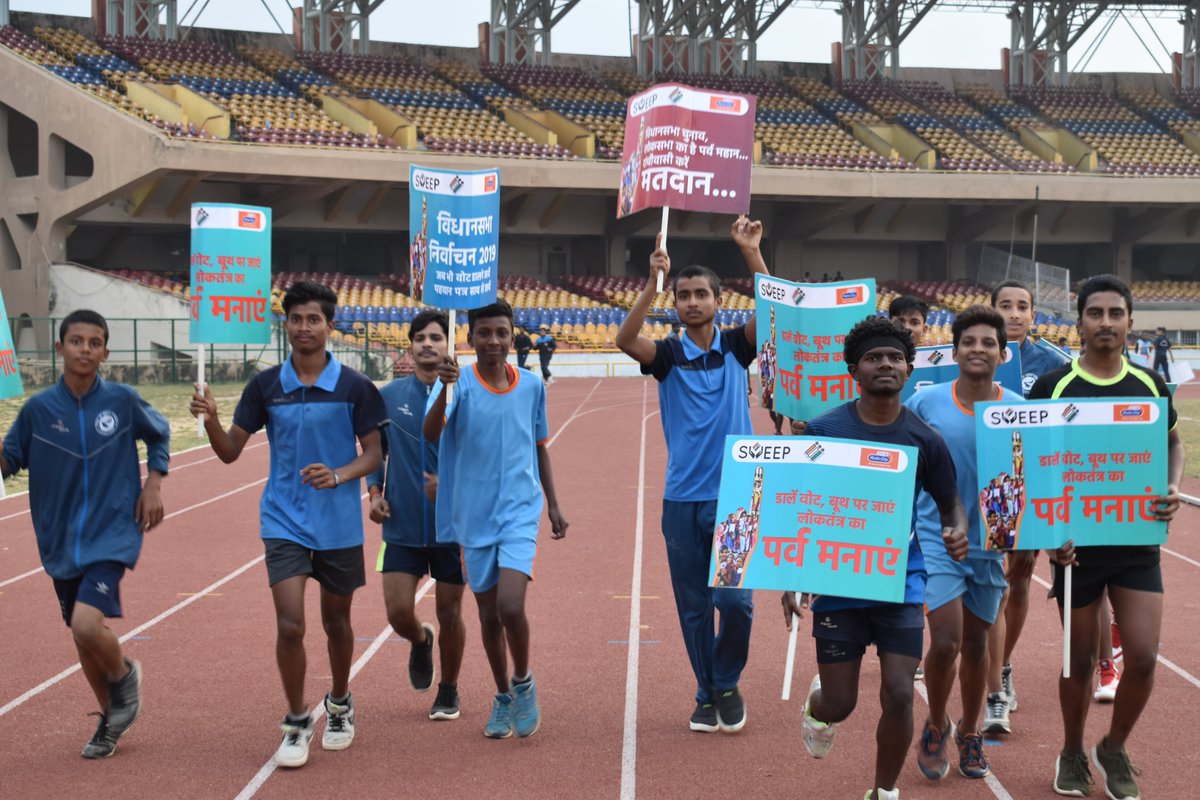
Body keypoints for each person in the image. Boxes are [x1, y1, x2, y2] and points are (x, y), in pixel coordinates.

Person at [190, 281, 386, 768]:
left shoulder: (355, 386)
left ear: (330, 325)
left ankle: (339, 702)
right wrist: (213, 419)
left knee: (336, 622)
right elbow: (230, 452)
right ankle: (298, 720)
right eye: (296, 318)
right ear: (286, 324)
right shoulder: (266, 385)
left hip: (338, 523)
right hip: (283, 519)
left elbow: (375, 454)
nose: (304, 327)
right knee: (290, 622)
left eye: (313, 319)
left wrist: (339, 475)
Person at [782, 316, 967, 800]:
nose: (885, 363)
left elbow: (950, 502)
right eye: (873, 357)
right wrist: (789, 577)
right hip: (838, 581)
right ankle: (818, 707)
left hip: (898, 580)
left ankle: (884, 792)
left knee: (902, 692)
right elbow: (797, 505)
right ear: (853, 370)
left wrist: (956, 529)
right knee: (841, 704)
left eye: (894, 357)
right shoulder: (824, 430)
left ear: (908, 370)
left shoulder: (925, 439)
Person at [1029, 275, 1184, 799]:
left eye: (1116, 314)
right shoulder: (1051, 387)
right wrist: (1047, 532)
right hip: (1075, 551)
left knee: (1141, 657)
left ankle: (1113, 746)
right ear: (1079, 323)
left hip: (1136, 543)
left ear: (1130, 323)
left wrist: (1171, 484)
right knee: (1077, 662)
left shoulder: (1149, 385)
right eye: (1095, 313)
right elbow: (1024, 462)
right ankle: (1072, 749)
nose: (1106, 323)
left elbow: (1173, 442)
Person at [615, 216, 767, 734]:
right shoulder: (668, 355)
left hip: (734, 498)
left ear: (719, 301)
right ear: (675, 303)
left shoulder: (734, 347)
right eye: (684, 295)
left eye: (702, 293)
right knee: (695, 608)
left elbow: (774, 315)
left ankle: (726, 679)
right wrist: (650, 284)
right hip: (681, 499)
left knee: (736, 602)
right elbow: (624, 338)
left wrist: (751, 253)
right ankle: (708, 693)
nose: (693, 301)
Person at [1, 310, 168, 759]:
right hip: (58, 540)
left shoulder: (122, 401)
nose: (85, 350)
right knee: (82, 637)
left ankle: (126, 677)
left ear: (105, 352)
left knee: (85, 622)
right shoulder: (38, 410)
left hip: (112, 531)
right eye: (77, 342)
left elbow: (160, 433)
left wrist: (153, 483)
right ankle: (110, 720)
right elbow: (9, 460)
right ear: (60, 348)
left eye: (95, 343)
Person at [423, 298, 568, 739]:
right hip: (472, 516)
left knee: (510, 605)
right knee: (487, 616)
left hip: (520, 510)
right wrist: (444, 390)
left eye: (501, 333)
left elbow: (539, 444)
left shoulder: (530, 385)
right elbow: (431, 432)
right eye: (483, 333)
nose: (493, 341)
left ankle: (523, 681)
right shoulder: (457, 382)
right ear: (470, 338)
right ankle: (502, 694)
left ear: (512, 337)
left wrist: (554, 503)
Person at [906, 306, 1020, 782]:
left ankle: (970, 731)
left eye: (987, 343)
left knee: (976, 647)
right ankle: (935, 723)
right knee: (947, 641)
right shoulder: (926, 402)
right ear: (953, 352)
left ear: (1002, 351)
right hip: (938, 538)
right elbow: (900, 459)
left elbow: (1042, 477)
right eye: (968, 342)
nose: (978, 349)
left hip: (990, 545)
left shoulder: (1018, 408)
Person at [368, 310, 466, 721]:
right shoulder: (388, 396)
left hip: (452, 527)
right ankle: (419, 640)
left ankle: (448, 689)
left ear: (449, 345)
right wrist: (374, 492)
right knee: (397, 612)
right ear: (410, 346)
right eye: (420, 338)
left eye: (436, 338)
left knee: (451, 613)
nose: (428, 344)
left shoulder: (467, 394)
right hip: (403, 523)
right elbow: (376, 452)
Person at [984, 279, 1070, 734]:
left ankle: (1003, 667)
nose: (1014, 313)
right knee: (980, 579)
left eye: (1023, 307)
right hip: (983, 482)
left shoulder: (1054, 364)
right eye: (1005, 306)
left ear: (1034, 315)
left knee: (1017, 577)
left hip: (1031, 488)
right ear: (992, 310)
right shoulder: (977, 353)